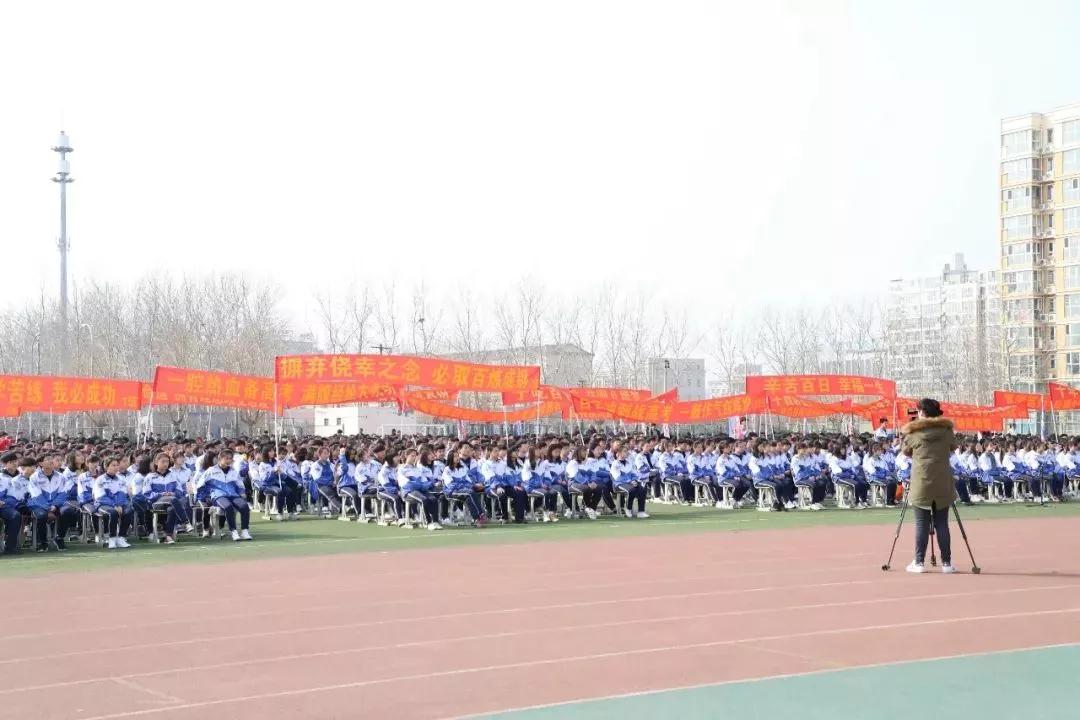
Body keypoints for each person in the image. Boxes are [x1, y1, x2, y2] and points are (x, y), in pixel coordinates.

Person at [901, 398, 957, 574]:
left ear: (922, 413)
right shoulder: (946, 431)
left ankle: (919, 562)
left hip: (921, 482)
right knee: (942, 523)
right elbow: (953, 447)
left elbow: (905, 451)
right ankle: (947, 563)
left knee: (921, 523)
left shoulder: (914, 432)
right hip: (942, 482)